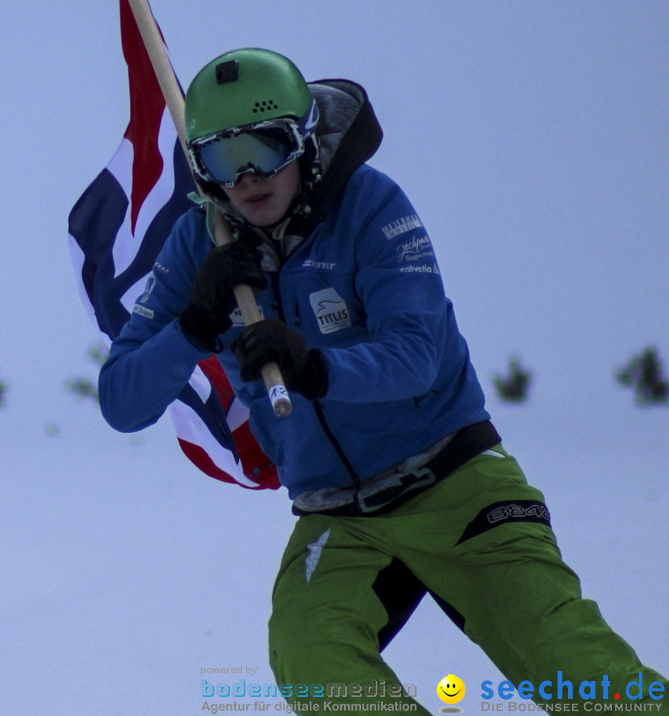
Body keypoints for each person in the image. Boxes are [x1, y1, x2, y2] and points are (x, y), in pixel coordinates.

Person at [99, 48, 667, 715]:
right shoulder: (201, 245)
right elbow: (122, 400)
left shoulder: (370, 207)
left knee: (571, 665)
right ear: (201, 169)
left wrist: (314, 366)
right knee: (312, 661)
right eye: (225, 158)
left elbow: (416, 355)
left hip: (452, 480)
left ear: (305, 142)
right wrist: (194, 325)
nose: (249, 176)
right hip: (337, 514)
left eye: (268, 146)